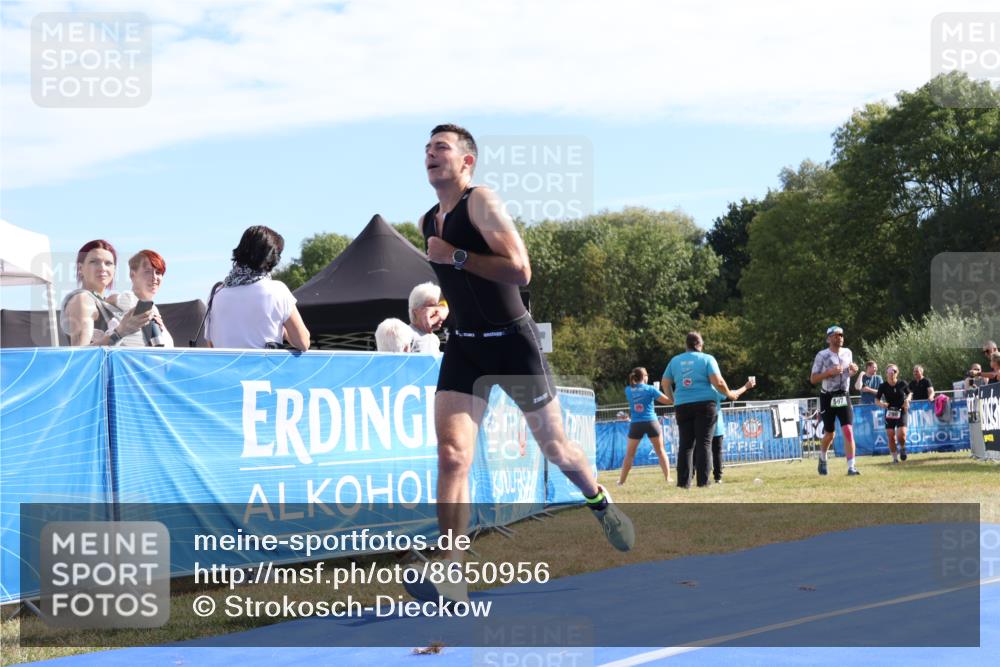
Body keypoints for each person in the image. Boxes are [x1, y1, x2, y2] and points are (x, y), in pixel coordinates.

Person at [406, 124, 634, 605]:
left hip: (512, 343)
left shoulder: (481, 202)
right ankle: (452, 567)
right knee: (451, 455)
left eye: (441, 148)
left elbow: (520, 270)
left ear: (467, 162)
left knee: (556, 448)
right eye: (427, 148)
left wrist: (457, 255)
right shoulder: (428, 221)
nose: (430, 154)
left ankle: (598, 499)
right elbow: (463, 288)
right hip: (465, 346)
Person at [206, 226, 311, 351]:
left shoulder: (216, 293)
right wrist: (283, 332)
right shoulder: (278, 290)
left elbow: (211, 345)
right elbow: (303, 342)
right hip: (264, 369)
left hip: (226, 369)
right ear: (271, 259)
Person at [661, 331, 742, 488]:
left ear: (686, 345)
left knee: (686, 444)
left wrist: (673, 400)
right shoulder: (707, 359)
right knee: (704, 443)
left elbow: (665, 383)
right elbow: (717, 381)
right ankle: (703, 482)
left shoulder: (675, 360)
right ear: (700, 345)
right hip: (705, 405)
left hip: (683, 405)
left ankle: (683, 483)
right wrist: (729, 393)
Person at [60, 239, 153, 347]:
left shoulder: (109, 303)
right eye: (94, 262)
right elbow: (80, 355)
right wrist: (119, 333)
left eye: (108, 263)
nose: (102, 268)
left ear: (114, 270)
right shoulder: (82, 299)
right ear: (81, 268)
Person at [810, 325, 861, 476]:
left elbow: (848, 373)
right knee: (830, 434)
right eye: (836, 335)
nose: (840, 338)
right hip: (828, 397)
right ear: (829, 339)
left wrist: (853, 370)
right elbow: (813, 379)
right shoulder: (822, 355)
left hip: (843, 396)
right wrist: (828, 373)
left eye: (841, 335)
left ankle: (852, 467)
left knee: (848, 430)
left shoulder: (848, 352)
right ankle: (822, 456)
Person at [617, 367, 672, 486]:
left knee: (629, 454)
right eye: (647, 375)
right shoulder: (651, 389)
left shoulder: (628, 390)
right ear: (644, 377)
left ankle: (621, 481)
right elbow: (668, 401)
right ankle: (668, 478)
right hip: (651, 422)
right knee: (660, 451)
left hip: (636, 424)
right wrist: (666, 389)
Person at [113, 250, 174, 347]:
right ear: (133, 275)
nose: (154, 277)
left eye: (158, 272)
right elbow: (114, 299)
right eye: (148, 272)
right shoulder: (128, 299)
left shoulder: (152, 308)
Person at [711, 376, 756, 483]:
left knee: (701, 451)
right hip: (716, 425)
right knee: (716, 452)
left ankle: (695, 476)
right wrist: (746, 386)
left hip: (704, 426)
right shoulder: (714, 389)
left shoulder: (699, 389)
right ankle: (717, 478)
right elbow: (732, 394)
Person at [875, 364, 911, 463]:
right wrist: (882, 404)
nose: (892, 374)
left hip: (901, 410)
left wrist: (907, 400)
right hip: (890, 412)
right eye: (890, 372)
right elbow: (876, 400)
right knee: (891, 435)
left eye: (894, 371)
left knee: (901, 434)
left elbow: (910, 393)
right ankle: (895, 458)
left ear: (897, 373)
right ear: (886, 373)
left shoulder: (902, 383)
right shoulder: (883, 386)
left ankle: (903, 447)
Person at [407, 282, 449, 353]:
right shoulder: (405, 335)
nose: (438, 313)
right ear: (416, 311)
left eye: (439, 308)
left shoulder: (434, 338)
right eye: (432, 307)